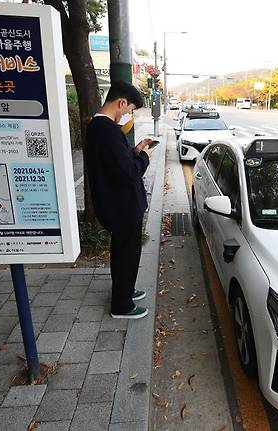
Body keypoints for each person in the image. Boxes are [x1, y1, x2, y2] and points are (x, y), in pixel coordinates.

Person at [85, 80, 155, 319]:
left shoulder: (98, 127)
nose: (128, 114)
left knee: (122, 252)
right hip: (123, 207)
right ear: (121, 102)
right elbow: (128, 173)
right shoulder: (108, 130)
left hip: (116, 205)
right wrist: (144, 158)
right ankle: (122, 305)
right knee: (127, 254)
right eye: (130, 109)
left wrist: (134, 152)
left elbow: (116, 164)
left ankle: (125, 290)